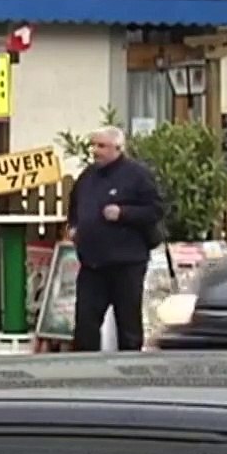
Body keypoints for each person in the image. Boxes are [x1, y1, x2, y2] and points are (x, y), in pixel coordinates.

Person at [68, 126, 163, 351]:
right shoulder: (88, 176)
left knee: (128, 323)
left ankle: (128, 370)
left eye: (101, 146)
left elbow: (155, 210)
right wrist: (73, 227)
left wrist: (124, 213)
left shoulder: (137, 175)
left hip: (126, 263)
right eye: (93, 145)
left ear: (118, 148)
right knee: (85, 323)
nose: (95, 151)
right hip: (92, 263)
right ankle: (84, 370)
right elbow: (74, 206)